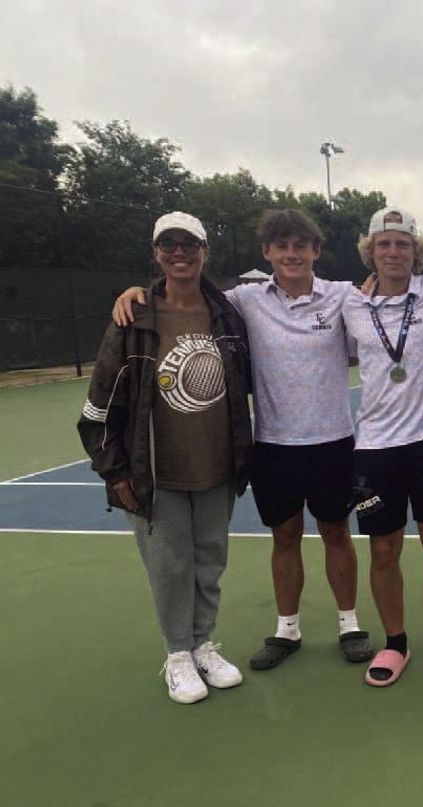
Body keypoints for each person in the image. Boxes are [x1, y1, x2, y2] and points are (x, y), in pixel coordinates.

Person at [112, 209, 371, 670]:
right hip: (272, 445)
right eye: (281, 246)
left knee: (337, 532)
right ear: (267, 252)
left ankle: (349, 624)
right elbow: (183, 292)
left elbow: (391, 291)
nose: (291, 254)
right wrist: (139, 291)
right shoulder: (243, 301)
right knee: (285, 537)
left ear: (315, 251)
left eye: (301, 246)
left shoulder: (343, 296)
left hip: (334, 442)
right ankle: (286, 629)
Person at [79, 212, 254, 704]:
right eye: (168, 245)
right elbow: (98, 409)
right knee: (169, 565)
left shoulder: (227, 316)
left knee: (209, 562)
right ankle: (177, 653)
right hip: (154, 471)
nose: (180, 252)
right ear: (156, 253)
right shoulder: (133, 318)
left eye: (189, 244)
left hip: (217, 465)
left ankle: (202, 643)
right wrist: (115, 474)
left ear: (204, 251)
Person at [346, 207, 423, 686]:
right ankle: (395, 643)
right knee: (383, 549)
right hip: (375, 446)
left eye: (402, 244)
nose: (393, 252)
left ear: (416, 252)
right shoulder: (348, 302)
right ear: (371, 252)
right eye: (384, 244)